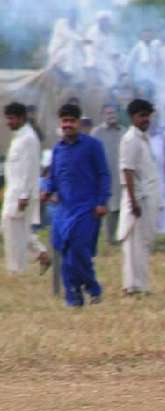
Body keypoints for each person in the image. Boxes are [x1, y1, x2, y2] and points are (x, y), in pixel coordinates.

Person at [42, 103, 111, 307]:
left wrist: (101, 202)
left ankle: (92, 287)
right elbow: (53, 178)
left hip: (87, 208)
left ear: (79, 123)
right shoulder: (58, 149)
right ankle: (74, 297)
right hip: (64, 210)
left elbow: (104, 175)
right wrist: (46, 190)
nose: (68, 125)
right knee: (65, 251)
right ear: (60, 123)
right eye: (64, 121)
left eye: (72, 121)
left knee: (79, 250)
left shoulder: (93, 146)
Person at [117, 99, 161, 296]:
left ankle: (140, 285)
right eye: (141, 116)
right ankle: (133, 286)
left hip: (145, 199)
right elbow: (127, 170)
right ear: (132, 117)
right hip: (137, 200)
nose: (145, 119)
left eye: (148, 116)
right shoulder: (131, 139)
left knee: (142, 243)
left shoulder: (143, 138)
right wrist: (133, 201)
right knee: (134, 244)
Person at [2, 102, 48, 275]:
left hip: (21, 195)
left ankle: (16, 270)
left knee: (14, 231)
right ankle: (42, 255)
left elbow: (29, 169)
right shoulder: (19, 137)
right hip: (14, 193)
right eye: (7, 118)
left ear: (21, 118)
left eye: (11, 118)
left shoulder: (28, 138)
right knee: (15, 229)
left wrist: (23, 196)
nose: (8, 122)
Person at [91, 104, 124, 244]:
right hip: (102, 174)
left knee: (119, 205)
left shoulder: (123, 131)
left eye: (114, 113)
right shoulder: (97, 133)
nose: (112, 116)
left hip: (120, 174)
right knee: (105, 205)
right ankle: (107, 237)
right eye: (108, 113)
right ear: (103, 115)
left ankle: (117, 236)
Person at [84, 11, 120, 88]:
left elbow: (112, 49)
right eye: (103, 20)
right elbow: (88, 47)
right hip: (95, 60)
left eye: (107, 20)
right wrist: (91, 62)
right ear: (99, 21)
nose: (105, 22)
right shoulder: (92, 31)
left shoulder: (109, 34)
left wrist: (116, 56)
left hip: (107, 60)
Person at [47, 11, 85, 82]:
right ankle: (68, 71)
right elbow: (69, 35)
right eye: (71, 15)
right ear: (67, 16)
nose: (72, 17)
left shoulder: (79, 27)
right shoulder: (60, 23)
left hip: (75, 55)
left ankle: (76, 78)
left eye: (75, 16)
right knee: (71, 44)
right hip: (59, 51)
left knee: (80, 59)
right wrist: (82, 40)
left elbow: (81, 44)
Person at [128, 29, 158, 100]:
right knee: (141, 100)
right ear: (141, 37)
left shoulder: (155, 48)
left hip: (152, 81)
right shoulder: (137, 48)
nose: (147, 37)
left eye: (149, 35)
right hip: (140, 80)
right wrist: (130, 78)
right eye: (145, 35)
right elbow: (129, 63)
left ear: (152, 37)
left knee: (151, 101)